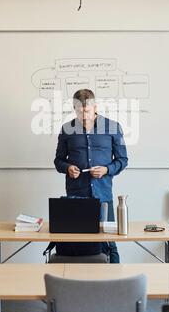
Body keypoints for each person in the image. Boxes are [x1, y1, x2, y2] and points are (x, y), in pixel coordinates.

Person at [53, 88, 128, 263]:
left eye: (87, 111)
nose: (83, 115)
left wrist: (107, 170)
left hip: (103, 197)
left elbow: (123, 160)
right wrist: (68, 167)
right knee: (77, 245)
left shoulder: (113, 127)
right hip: (76, 196)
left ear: (95, 107)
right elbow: (58, 161)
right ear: (74, 108)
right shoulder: (67, 129)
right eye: (79, 111)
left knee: (109, 243)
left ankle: (116, 284)